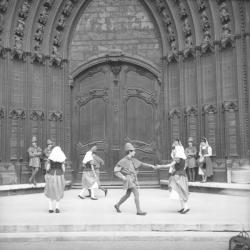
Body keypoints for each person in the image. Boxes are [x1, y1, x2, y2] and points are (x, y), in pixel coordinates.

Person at [113, 142, 155, 216]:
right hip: (129, 179)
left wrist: (151, 166)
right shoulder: (123, 161)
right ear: (130, 151)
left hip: (133, 179)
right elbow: (116, 170)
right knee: (136, 194)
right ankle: (138, 211)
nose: (135, 152)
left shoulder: (133, 160)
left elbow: (142, 164)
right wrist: (122, 177)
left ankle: (117, 205)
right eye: (134, 151)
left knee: (127, 195)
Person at [156, 142, 190, 214]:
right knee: (180, 191)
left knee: (180, 192)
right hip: (182, 176)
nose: (174, 151)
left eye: (175, 150)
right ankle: (183, 207)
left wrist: (160, 166)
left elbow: (170, 165)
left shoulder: (177, 158)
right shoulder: (183, 158)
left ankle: (186, 207)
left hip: (178, 177)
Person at [44, 145, 66, 213]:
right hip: (59, 175)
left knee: (51, 190)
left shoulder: (50, 159)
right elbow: (63, 169)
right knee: (59, 190)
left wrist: (48, 171)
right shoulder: (62, 159)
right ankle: (57, 207)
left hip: (51, 175)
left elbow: (47, 168)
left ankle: (50, 208)